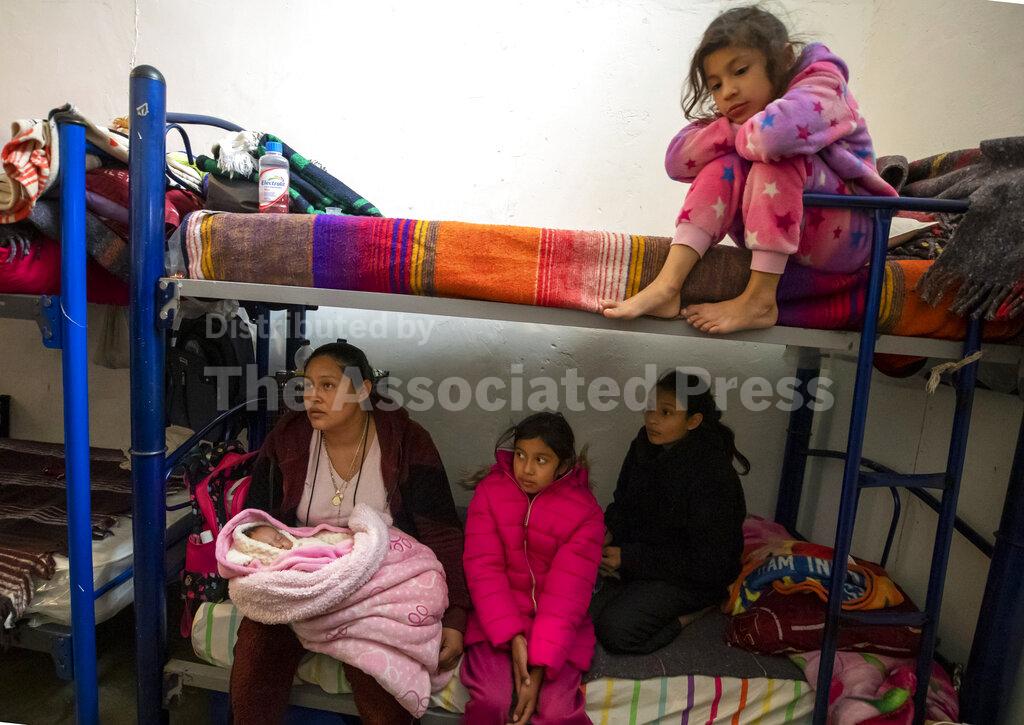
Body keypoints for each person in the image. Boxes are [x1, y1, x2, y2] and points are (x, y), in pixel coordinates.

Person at [601, 5, 896, 333]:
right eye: (715, 86)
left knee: (777, 159)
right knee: (724, 166)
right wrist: (730, 130)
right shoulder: (750, 118)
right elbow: (677, 160)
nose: (728, 91)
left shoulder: (823, 82)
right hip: (793, 232)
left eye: (740, 71)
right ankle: (668, 286)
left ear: (783, 58)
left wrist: (729, 132)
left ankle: (760, 300)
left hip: (851, 235)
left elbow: (774, 137)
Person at [229, 341, 470, 725]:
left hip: (378, 585)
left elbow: (441, 533)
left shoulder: (406, 441)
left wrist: (456, 617)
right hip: (306, 579)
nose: (312, 397)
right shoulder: (289, 438)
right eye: (308, 386)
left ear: (362, 390)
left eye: (328, 385)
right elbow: (258, 518)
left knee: (380, 673)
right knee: (257, 651)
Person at [461, 413, 603, 725]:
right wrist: (513, 637)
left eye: (541, 460)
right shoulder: (490, 494)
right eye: (521, 455)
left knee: (556, 713)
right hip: (495, 621)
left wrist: (538, 669)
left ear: (562, 465)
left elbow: (567, 598)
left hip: (560, 632)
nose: (526, 468)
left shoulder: (585, 514)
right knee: (491, 701)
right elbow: (484, 571)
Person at [592, 371, 747, 655]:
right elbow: (623, 503)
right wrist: (608, 531)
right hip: (648, 557)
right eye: (650, 409)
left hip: (695, 577)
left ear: (693, 421)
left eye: (666, 413)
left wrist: (629, 558)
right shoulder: (644, 444)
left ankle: (695, 612)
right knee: (575, 596)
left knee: (617, 630)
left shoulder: (711, 474)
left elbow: (708, 562)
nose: (652, 419)